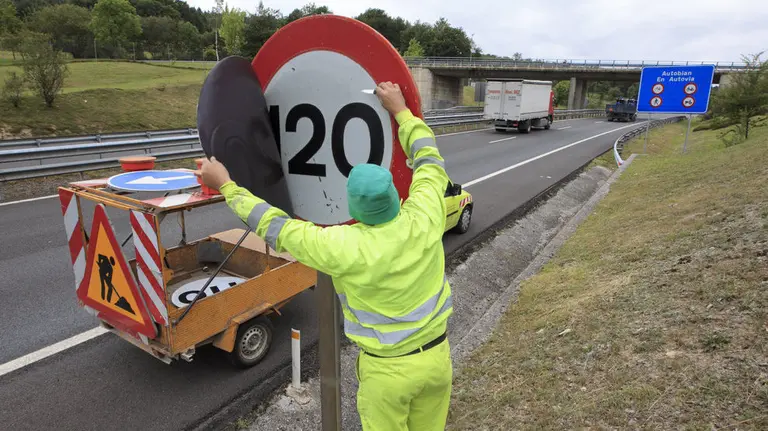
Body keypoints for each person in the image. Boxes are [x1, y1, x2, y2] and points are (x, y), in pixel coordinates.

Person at [198, 81, 453, 431]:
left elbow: (275, 227)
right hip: (437, 358)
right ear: (395, 195)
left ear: (353, 208)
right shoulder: (425, 214)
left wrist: (227, 186)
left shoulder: (342, 246)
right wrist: (402, 112)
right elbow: (429, 160)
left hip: (387, 374)